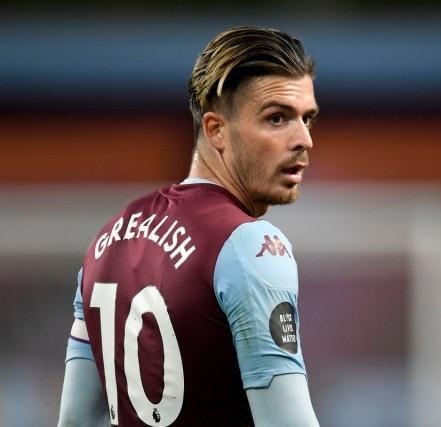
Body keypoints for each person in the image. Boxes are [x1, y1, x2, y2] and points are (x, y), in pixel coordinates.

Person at [57, 26, 320, 426]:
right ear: (216, 130)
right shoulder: (251, 246)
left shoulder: (106, 240)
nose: (304, 139)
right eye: (277, 118)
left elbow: (75, 420)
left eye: (307, 119)